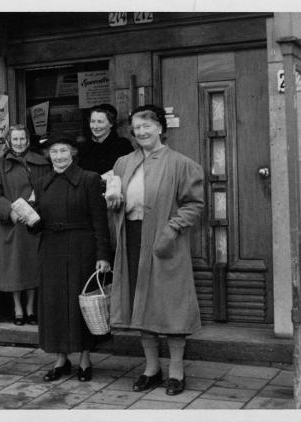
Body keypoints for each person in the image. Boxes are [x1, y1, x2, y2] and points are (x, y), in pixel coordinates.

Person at [107, 105, 205, 396]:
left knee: (172, 304)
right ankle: (151, 368)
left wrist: (172, 229)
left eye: (147, 126)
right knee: (142, 303)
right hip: (133, 238)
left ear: (161, 128)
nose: (141, 132)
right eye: (136, 128)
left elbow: (195, 204)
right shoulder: (123, 163)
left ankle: (176, 371)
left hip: (166, 240)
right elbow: (117, 198)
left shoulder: (181, 163)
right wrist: (114, 203)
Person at [22, 132, 111, 383]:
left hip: (81, 248)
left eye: (63, 151)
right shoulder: (41, 182)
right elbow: (37, 222)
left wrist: (103, 255)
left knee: (78, 303)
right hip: (50, 249)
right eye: (54, 152)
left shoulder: (89, 179)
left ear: (73, 153)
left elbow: (100, 221)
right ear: (48, 156)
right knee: (53, 305)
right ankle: (60, 360)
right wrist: (29, 220)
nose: (59, 156)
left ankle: (84, 359)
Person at [0, 124, 51, 325]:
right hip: (11, 225)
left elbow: (48, 188)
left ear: (28, 140)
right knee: (14, 267)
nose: (19, 143)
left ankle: (31, 308)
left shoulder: (41, 162)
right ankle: (18, 308)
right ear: (8, 141)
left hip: (34, 221)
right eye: (15, 139)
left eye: (22, 139)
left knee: (33, 265)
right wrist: (12, 213)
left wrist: (36, 209)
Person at [77, 103, 133, 176]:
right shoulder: (84, 147)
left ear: (111, 124)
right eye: (92, 121)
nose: (95, 126)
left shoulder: (122, 146)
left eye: (100, 122)